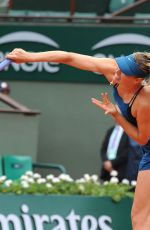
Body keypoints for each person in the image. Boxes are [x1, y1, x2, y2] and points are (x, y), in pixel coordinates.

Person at [6, 49, 150, 230]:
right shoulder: (113, 69)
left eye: (124, 71)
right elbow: (69, 57)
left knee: (140, 217)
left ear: (137, 80)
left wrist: (117, 115)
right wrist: (29, 57)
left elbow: (142, 139)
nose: (117, 72)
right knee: (140, 217)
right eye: (119, 67)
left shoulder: (145, 102)